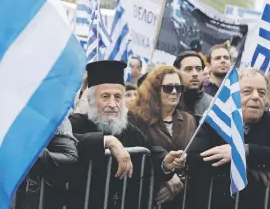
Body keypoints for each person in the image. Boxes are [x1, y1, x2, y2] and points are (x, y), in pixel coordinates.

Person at [68, 60, 186, 209]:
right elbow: (64, 141)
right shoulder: (76, 123)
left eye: (117, 97)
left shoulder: (127, 129)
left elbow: (150, 149)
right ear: (91, 100)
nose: (112, 104)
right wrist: (107, 141)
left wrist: (165, 162)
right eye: (105, 97)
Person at [186, 68, 270, 209]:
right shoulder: (215, 119)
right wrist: (243, 166)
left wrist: (245, 151)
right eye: (247, 91)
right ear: (233, 95)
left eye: (261, 93)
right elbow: (193, 159)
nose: (256, 97)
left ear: (266, 99)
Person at [128, 65, 197, 208]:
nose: (174, 92)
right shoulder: (136, 118)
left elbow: (194, 157)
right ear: (154, 90)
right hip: (145, 197)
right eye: (168, 88)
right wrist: (167, 176)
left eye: (178, 88)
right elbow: (139, 156)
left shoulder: (189, 120)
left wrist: (180, 181)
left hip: (181, 200)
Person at [14, 117, 78, 209]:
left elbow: (71, 157)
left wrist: (37, 153)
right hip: (14, 190)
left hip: (41, 193)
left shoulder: (58, 117)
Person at [173, 51, 213, 120]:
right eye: (188, 69)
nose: (195, 74)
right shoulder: (166, 100)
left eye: (198, 69)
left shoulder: (212, 105)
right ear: (177, 72)